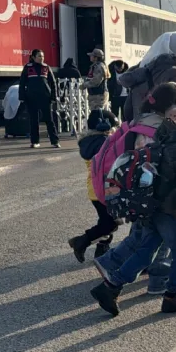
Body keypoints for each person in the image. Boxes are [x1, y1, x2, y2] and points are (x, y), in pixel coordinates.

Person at [91, 101, 176, 315]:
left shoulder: (164, 135)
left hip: (152, 203)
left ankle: (110, 287)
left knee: (147, 250)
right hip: (172, 208)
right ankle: (174, 295)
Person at [69, 108, 122, 263]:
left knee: (107, 220)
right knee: (109, 223)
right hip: (105, 189)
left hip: (93, 189)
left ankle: (102, 248)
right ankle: (81, 241)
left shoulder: (87, 141)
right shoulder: (105, 143)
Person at [118, 31, 176, 122]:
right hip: (160, 127)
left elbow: (128, 107)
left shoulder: (144, 67)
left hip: (138, 124)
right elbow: (175, 108)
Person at [18, 49, 60, 149]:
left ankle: (55, 141)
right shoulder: (28, 68)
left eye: (43, 56)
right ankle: (35, 141)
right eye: (39, 56)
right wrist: (22, 97)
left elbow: (53, 83)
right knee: (33, 120)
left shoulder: (46, 67)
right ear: (33, 57)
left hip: (45, 98)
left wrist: (53, 96)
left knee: (49, 120)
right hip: (31, 98)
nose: (42, 58)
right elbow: (22, 83)